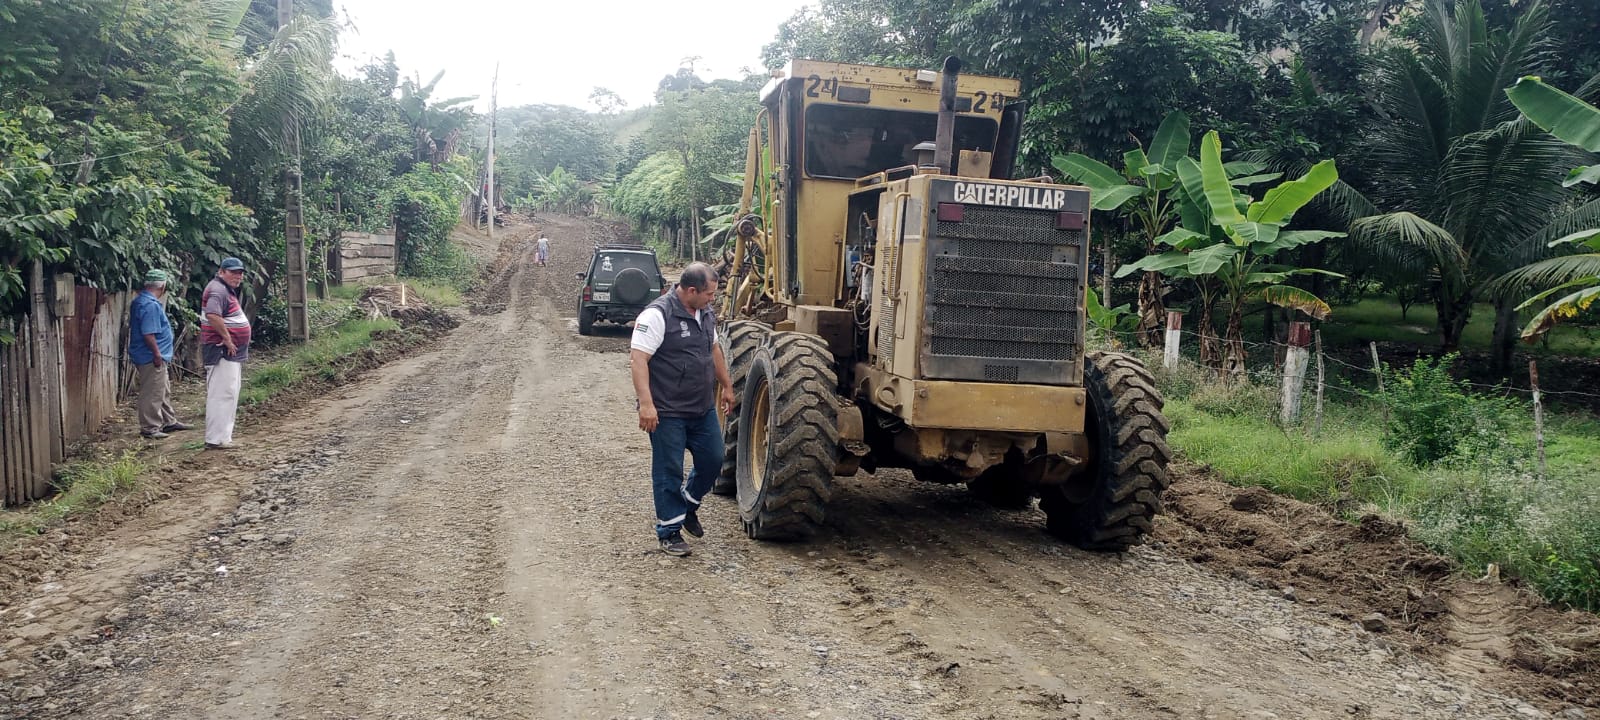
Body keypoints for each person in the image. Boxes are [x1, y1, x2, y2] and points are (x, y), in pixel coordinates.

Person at [629, 263, 735, 557]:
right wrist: (646, 404)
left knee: (714, 459)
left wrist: (727, 385)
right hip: (667, 410)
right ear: (691, 291)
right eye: (709, 294)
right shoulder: (657, 315)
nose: (713, 299)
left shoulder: (705, 313)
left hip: (701, 408)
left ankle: (687, 505)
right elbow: (638, 360)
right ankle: (669, 532)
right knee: (669, 469)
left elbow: (714, 349)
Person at [127, 269, 192, 439]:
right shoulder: (150, 305)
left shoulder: (141, 301)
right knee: (152, 392)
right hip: (151, 356)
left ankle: (168, 421)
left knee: (161, 389)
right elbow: (148, 333)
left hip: (150, 354)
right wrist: (156, 354)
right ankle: (150, 427)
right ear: (162, 286)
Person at [201, 257, 252, 450]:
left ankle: (223, 437)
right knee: (222, 394)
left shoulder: (223, 289)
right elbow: (212, 315)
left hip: (227, 351)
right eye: (233, 272)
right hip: (221, 349)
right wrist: (228, 339)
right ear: (221, 272)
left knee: (229, 392)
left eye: (240, 273)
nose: (238, 276)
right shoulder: (217, 290)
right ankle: (216, 439)